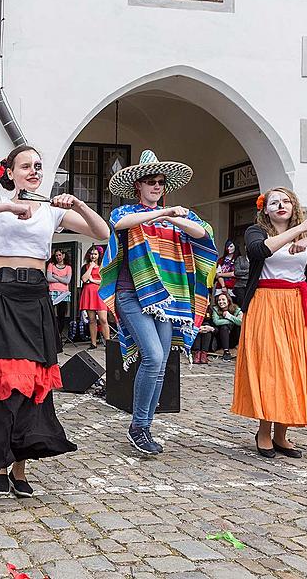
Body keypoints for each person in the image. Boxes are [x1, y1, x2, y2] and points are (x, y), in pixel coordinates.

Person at [0, 144, 109, 497]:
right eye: (26, 166)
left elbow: (101, 232)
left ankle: (20, 466)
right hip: (1, 299)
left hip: (35, 300)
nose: (34, 171)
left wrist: (78, 204)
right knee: (4, 385)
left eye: (38, 165)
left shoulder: (50, 211)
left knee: (33, 388)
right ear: (10, 171)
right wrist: (7, 204)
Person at [99, 150, 217, 455]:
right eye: (151, 181)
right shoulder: (126, 212)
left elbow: (204, 234)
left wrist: (177, 218)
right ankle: (138, 426)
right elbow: (121, 224)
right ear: (138, 185)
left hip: (168, 299)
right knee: (152, 356)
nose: (157, 186)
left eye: (161, 182)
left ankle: (145, 426)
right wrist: (163, 214)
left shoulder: (178, 216)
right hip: (131, 293)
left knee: (162, 363)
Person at [231, 187, 307, 459]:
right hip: (266, 303)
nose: (280, 205)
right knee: (271, 366)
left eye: (285, 201)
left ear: (293, 206)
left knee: (294, 366)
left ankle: (282, 434)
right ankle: (263, 431)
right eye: (274, 202)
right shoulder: (256, 231)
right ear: (265, 209)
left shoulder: (306, 234)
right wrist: (299, 232)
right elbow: (259, 251)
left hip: (297, 305)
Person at [79, 244, 110, 350]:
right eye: (91, 254)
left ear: (99, 255)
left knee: (103, 319)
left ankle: (108, 343)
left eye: (95, 254)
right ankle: (93, 343)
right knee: (91, 320)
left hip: (100, 294)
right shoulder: (85, 267)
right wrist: (91, 267)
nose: (93, 256)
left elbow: (105, 281)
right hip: (88, 294)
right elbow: (83, 279)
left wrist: (92, 280)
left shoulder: (103, 266)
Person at [46, 249, 72, 337]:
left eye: (60, 255)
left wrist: (55, 276)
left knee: (62, 315)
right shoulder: (51, 265)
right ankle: (51, 334)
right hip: (52, 291)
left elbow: (67, 280)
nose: (58, 257)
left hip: (64, 293)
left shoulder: (68, 267)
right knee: (51, 314)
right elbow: (48, 278)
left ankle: (59, 335)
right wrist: (62, 279)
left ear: (63, 255)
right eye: (56, 255)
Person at [210, 292, 242, 361]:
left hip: (233, 337)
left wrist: (229, 316)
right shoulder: (216, 309)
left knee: (238, 327)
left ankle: (240, 348)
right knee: (224, 327)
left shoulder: (236, 309)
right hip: (221, 337)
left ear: (228, 301)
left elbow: (240, 322)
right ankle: (226, 352)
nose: (221, 302)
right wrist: (231, 321)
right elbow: (216, 321)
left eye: (223, 299)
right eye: (219, 300)